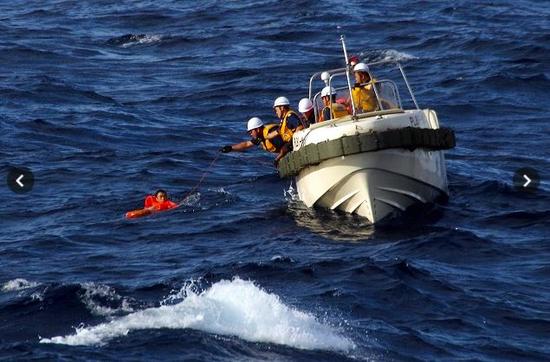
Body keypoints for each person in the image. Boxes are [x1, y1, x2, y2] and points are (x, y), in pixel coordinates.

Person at [220, 117, 289, 166]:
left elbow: (286, 146)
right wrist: (231, 148)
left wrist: (277, 159)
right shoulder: (261, 136)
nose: (250, 134)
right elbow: (246, 144)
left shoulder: (271, 134)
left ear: (257, 130)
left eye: (251, 132)